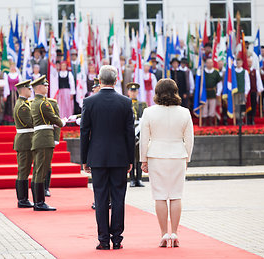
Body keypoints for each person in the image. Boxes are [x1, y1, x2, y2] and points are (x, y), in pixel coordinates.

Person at [80, 65, 135, 250]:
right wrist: (130, 159)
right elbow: (130, 133)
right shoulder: (126, 102)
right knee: (119, 198)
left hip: (97, 157)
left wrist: (84, 158)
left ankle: (103, 239)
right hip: (120, 157)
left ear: (100, 80)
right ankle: (117, 238)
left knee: (101, 197)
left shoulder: (89, 102)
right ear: (116, 79)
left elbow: (84, 132)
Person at [139, 78, 194, 248]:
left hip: (156, 156)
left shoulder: (149, 112)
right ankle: (175, 232)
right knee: (176, 195)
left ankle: (164, 233)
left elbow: (144, 138)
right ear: (175, 92)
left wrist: (143, 159)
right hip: (178, 155)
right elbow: (190, 139)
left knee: (160, 196)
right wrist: (187, 158)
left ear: (157, 92)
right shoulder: (185, 112)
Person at [30, 75, 65, 211]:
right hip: (44, 139)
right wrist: (62, 121)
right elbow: (56, 120)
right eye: (45, 85)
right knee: (41, 171)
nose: (47, 87)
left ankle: (37, 201)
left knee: (38, 170)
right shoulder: (43, 103)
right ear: (39, 87)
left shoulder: (34, 102)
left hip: (39, 137)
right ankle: (39, 202)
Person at [13, 80, 34, 208]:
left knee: (25, 170)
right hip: (25, 141)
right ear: (23, 90)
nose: (30, 90)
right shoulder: (23, 106)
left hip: (27, 140)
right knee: (23, 170)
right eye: (29, 89)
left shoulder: (25, 104)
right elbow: (31, 122)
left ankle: (24, 198)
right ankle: (22, 199)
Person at [127, 83, 147, 187]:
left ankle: (139, 179)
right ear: (128, 92)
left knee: (139, 157)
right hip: (129, 132)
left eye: (135, 91)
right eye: (132, 91)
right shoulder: (125, 103)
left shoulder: (142, 104)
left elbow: (145, 118)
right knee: (130, 157)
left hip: (140, 133)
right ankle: (132, 179)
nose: (133, 93)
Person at [202, 58, 222, 126]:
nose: (209, 64)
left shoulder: (216, 72)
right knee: (204, 108)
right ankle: (204, 122)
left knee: (212, 108)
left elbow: (219, 84)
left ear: (213, 64)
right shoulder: (203, 72)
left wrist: (218, 93)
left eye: (211, 63)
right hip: (204, 93)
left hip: (213, 92)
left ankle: (211, 122)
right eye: (208, 63)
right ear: (206, 64)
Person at [247, 57, 264, 125]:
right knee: (248, 105)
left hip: (253, 91)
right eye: (248, 62)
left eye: (250, 62)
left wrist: (259, 89)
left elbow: (258, 81)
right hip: (247, 92)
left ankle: (252, 119)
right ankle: (248, 119)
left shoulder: (255, 71)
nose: (249, 63)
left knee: (253, 105)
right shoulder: (245, 71)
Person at [235, 58, 251, 124]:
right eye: (237, 62)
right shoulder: (233, 72)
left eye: (240, 62)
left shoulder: (245, 72)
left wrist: (246, 92)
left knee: (242, 106)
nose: (238, 64)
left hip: (242, 91)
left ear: (242, 63)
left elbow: (247, 82)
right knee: (236, 106)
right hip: (235, 92)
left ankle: (241, 119)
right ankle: (237, 119)